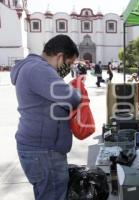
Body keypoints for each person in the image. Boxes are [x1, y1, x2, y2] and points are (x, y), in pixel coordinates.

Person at [10, 34, 81, 200]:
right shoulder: (39, 69)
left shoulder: (34, 67)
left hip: (40, 148)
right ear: (60, 57)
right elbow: (72, 99)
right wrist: (76, 91)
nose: (68, 69)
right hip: (43, 151)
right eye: (69, 64)